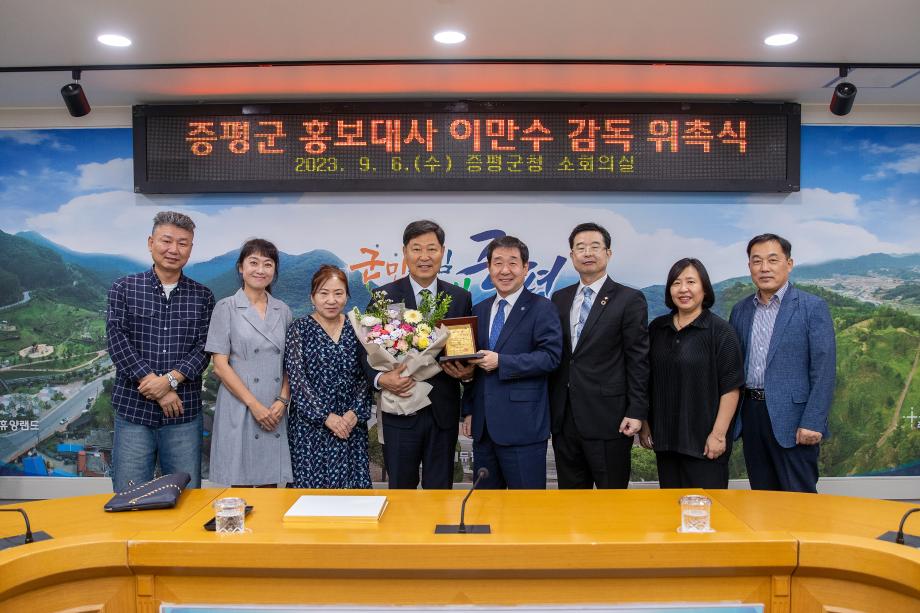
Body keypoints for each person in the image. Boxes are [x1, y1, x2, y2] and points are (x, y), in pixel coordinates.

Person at [107, 211, 215, 492]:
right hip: (133, 412)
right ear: (150, 242)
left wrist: (169, 381)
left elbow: (203, 349)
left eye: (182, 243)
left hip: (183, 415)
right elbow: (117, 341)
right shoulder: (124, 288)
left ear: (190, 248)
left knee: (186, 497)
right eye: (167, 241)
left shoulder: (203, 296)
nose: (173, 249)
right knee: (129, 495)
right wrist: (158, 386)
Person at [362, 220, 473, 489]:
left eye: (431, 249)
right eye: (417, 249)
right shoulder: (384, 296)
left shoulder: (460, 297)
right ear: (405, 252)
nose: (424, 257)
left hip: (442, 413)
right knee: (401, 491)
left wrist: (467, 374)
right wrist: (381, 379)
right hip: (400, 409)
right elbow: (364, 350)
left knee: (440, 491)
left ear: (442, 252)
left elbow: (464, 351)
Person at [729, 234, 836, 493]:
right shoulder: (741, 310)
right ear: (749, 267)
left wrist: (813, 421)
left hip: (794, 420)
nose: (764, 268)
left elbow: (824, 370)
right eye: (757, 261)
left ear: (789, 264)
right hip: (752, 415)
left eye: (772, 260)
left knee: (798, 499)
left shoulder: (812, 307)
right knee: (763, 497)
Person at [548, 223, 649, 489]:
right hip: (565, 418)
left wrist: (636, 411)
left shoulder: (629, 299)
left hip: (610, 419)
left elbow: (638, 360)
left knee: (611, 500)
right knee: (571, 500)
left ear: (608, 253)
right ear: (572, 256)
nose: (587, 253)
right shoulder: (559, 298)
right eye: (580, 248)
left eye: (595, 247)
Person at [462, 236, 563, 489]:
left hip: (523, 427)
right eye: (497, 263)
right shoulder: (479, 310)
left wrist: (502, 362)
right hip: (484, 428)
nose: (504, 270)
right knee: (484, 506)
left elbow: (550, 357)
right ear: (489, 268)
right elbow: (474, 366)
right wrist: (470, 410)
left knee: (526, 507)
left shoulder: (542, 308)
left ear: (525, 268)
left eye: (513, 263)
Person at [639, 258, 744, 488]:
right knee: (670, 506)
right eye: (676, 283)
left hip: (705, 444)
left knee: (706, 507)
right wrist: (645, 422)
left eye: (691, 282)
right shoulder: (657, 328)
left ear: (704, 288)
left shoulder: (721, 331)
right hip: (666, 441)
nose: (683, 289)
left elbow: (731, 387)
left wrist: (718, 435)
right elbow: (646, 379)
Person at [205, 239, 294, 487]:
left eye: (268, 264)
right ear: (241, 268)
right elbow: (220, 365)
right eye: (253, 263)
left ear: (274, 270)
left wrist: (283, 400)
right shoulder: (226, 307)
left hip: (274, 407)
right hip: (240, 404)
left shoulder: (283, 310)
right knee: (240, 488)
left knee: (270, 489)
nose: (260, 270)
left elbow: (290, 362)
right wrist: (254, 405)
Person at [285, 265, 373, 488]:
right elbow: (297, 379)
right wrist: (325, 416)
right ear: (312, 297)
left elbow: (367, 375)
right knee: (309, 496)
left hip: (350, 426)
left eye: (338, 293)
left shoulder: (358, 328)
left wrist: (355, 412)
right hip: (310, 429)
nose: (331, 300)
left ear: (347, 296)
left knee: (353, 497)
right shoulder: (299, 329)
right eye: (324, 293)